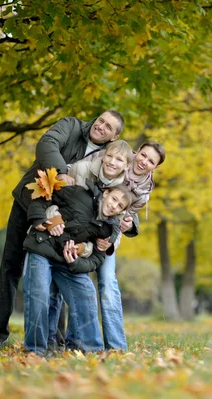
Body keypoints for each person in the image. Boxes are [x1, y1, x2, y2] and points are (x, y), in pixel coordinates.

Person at [0, 111, 133, 349]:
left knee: (59, 273)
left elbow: (125, 195)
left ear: (114, 136)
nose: (101, 126)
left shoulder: (108, 157)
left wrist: (119, 231)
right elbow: (47, 143)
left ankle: (55, 340)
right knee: (11, 265)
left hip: (65, 219)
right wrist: (61, 173)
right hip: (31, 200)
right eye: (101, 121)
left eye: (109, 127)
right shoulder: (71, 126)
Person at [64, 141, 166, 351]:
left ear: (155, 168)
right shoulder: (117, 161)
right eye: (143, 155)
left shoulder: (144, 193)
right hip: (84, 224)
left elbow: (123, 221)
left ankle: (116, 347)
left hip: (106, 235)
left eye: (151, 161)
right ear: (136, 152)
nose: (144, 161)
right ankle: (74, 343)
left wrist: (110, 242)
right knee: (80, 283)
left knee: (108, 284)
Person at [23, 184, 135, 355]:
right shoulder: (79, 194)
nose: (114, 205)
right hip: (42, 247)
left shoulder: (107, 229)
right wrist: (41, 218)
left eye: (120, 206)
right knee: (39, 294)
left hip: (67, 262)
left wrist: (75, 262)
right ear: (106, 193)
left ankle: (93, 350)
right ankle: (35, 351)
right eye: (114, 199)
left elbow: (97, 258)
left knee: (87, 290)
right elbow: (44, 196)